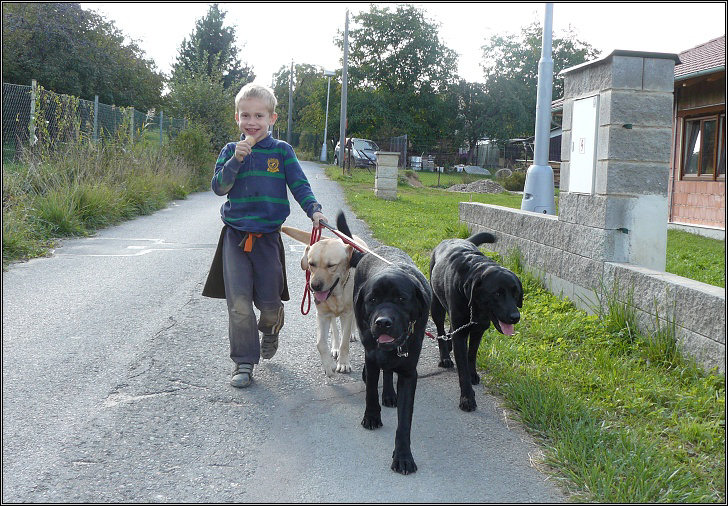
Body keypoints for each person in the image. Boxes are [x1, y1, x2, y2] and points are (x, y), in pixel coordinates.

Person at [202, 83, 327, 388]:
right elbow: (219, 187)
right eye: (245, 115)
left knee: (269, 303)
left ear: (272, 118)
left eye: (259, 116)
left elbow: (299, 185)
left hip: (268, 239)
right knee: (239, 303)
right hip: (235, 238)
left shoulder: (281, 151)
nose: (252, 122)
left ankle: (271, 329)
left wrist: (314, 210)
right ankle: (244, 362)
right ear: (237, 118)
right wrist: (235, 161)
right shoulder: (230, 151)